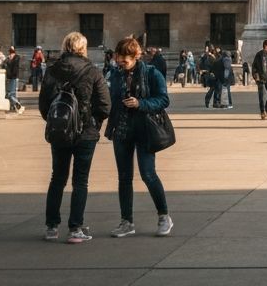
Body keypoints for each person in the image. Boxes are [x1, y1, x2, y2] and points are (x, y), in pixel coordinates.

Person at [39, 31, 111, 243]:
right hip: (86, 133)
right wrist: (94, 123)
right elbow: (105, 105)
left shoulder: (52, 70)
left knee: (57, 178)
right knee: (80, 181)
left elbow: (44, 104)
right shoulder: (92, 71)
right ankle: (75, 229)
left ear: (65, 47)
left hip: (60, 132)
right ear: (83, 49)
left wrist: (58, 123)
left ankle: (51, 227)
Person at [105, 35, 173, 237]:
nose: (120, 62)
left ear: (136, 56)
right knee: (124, 178)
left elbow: (163, 100)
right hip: (122, 130)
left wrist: (141, 104)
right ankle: (126, 221)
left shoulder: (152, 73)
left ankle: (164, 216)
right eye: (118, 58)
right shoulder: (115, 74)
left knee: (148, 174)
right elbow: (111, 101)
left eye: (124, 60)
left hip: (145, 129)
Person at [252, 39, 267, 119]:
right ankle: (263, 112)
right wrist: (256, 77)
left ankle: (266, 110)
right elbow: (254, 66)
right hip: (260, 78)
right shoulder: (259, 55)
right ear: (265, 47)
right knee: (262, 96)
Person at [3, 45, 24, 113]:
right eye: (10, 51)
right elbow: (3, 64)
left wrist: (10, 59)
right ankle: (14, 107)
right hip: (9, 77)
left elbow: (15, 66)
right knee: (11, 94)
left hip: (14, 78)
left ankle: (18, 104)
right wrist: (8, 59)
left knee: (10, 94)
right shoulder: (8, 58)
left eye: (12, 51)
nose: (11, 53)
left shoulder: (16, 57)